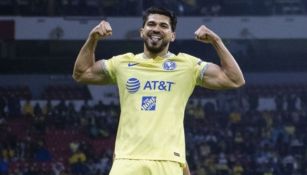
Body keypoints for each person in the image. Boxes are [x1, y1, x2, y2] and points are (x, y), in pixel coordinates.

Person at [73, 6, 245, 175]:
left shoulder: (187, 65)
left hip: (168, 162)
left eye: (163, 26)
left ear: (172, 35)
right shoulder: (122, 63)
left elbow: (234, 79)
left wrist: (216, 41)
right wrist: (92, 38)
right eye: (151, 24)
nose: (156, 29)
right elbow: (82, 73)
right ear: (142, 31)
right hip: (127, 161)